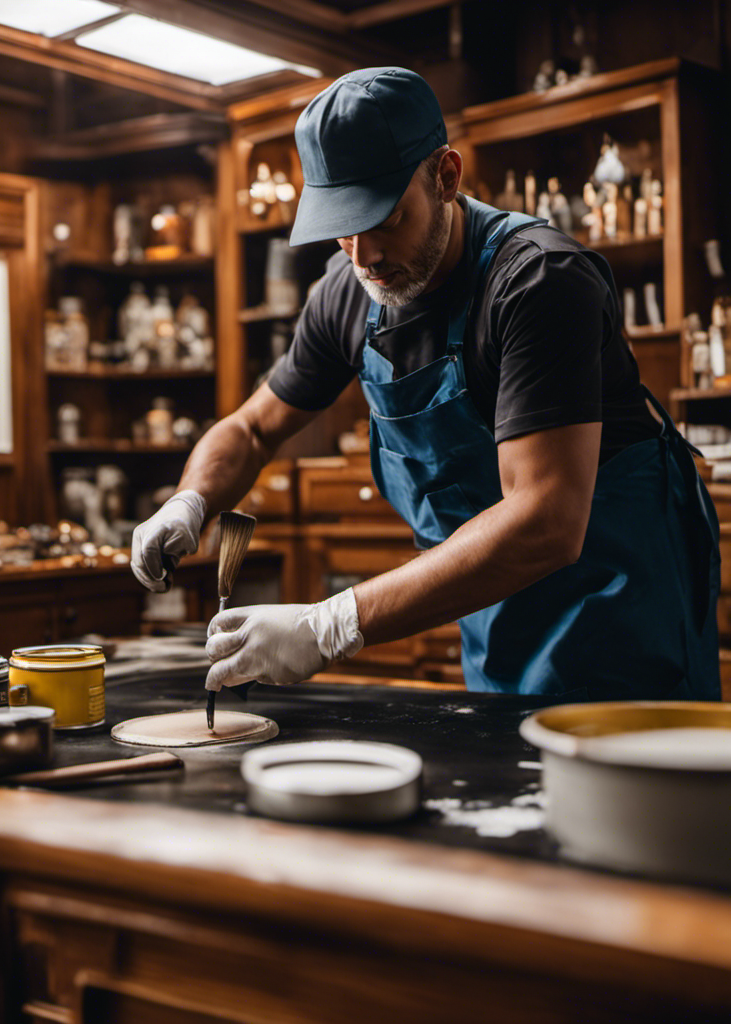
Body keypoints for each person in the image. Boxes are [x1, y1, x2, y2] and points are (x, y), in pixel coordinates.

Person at [131, 67, 720, 702]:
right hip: (494, 612)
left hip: (620, 613)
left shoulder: (539, 282)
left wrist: (331, 624)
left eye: (383, 218)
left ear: (445, 177)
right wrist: (188, 501)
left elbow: (544, 519)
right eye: (341, 225)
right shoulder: (346, 293)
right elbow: (252, 428)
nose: (363, 255)